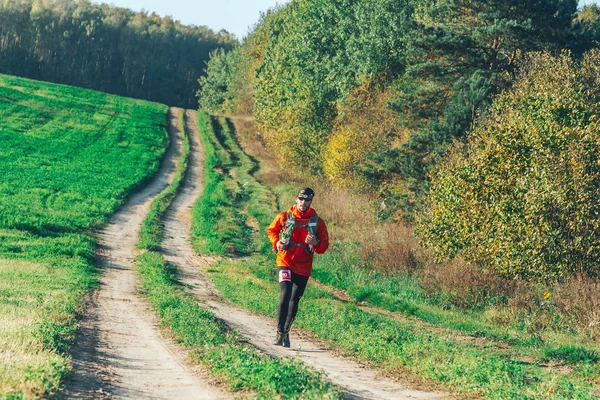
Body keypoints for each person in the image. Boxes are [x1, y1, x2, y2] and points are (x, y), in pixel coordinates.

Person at [267, 187, 329, 348]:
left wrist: (315, 243)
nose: (303, 203)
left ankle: (286, 333)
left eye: (307, 200)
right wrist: (277, 242)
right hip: (285, 261)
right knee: (285, 292)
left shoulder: (317, 222)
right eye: (301, 199)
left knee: (295, 299)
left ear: (311, 201)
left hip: (303, 266)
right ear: (296, 199)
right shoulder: (284, 216)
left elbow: (324, 246)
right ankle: (279, 332)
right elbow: (271, 231)